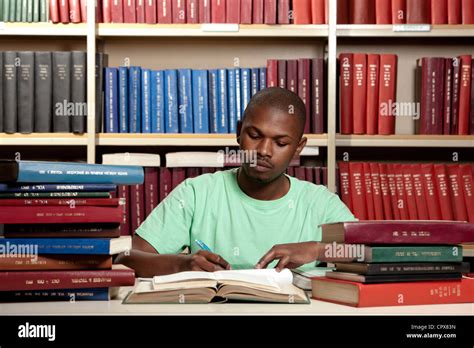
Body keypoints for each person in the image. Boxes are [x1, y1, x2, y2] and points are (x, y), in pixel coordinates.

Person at [116, 87, 356, 277]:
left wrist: (317, 249)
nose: (263, 150)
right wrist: (182, 264)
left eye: (281, 143)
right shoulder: (196, 193)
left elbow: (377, 254)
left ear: (298, 149)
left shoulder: (320, 203)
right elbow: (126, 257)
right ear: (239, 133)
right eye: (254, 136)